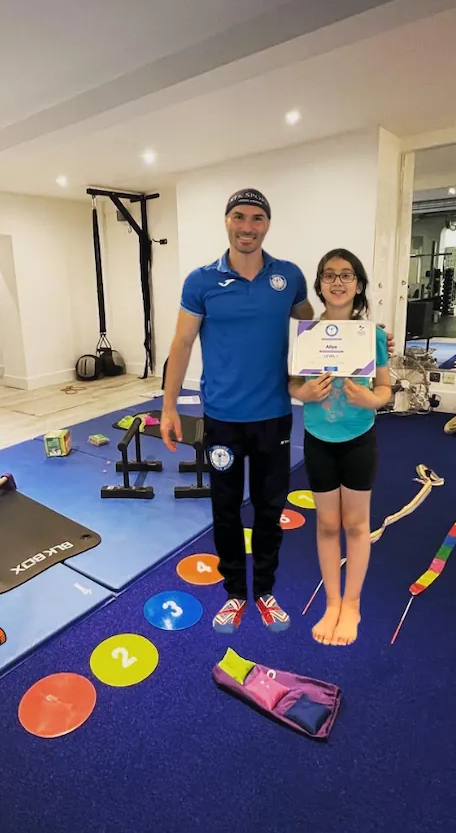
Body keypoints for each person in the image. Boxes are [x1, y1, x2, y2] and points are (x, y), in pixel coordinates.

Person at [159, 188, 314, 633]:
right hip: (223, 419)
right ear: (226, 221)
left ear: (268, 224)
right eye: (240, 217)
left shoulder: (288, 277)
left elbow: (310, 327)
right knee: (225, 510)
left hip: (274, 418)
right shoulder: (202, 281)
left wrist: (359, 336)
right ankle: (234, 593)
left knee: (269, 508)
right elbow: (181, 343)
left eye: (257, 219)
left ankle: (263, 590)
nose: (248, 227)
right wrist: (169, 406)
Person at [287, 249, 391, 647]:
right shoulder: (307, 335)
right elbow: (293, 385)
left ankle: (353, 604)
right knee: (328, 525)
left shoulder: (373, 335)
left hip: (359, 440)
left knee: (356, 525)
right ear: (319, 285)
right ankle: (332, 603)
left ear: (359, 285)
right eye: (329, 275)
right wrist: (303, 391)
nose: (337, 281)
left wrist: (373, 401)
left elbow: (384, 389)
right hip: (319, 440)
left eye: (347, 275)